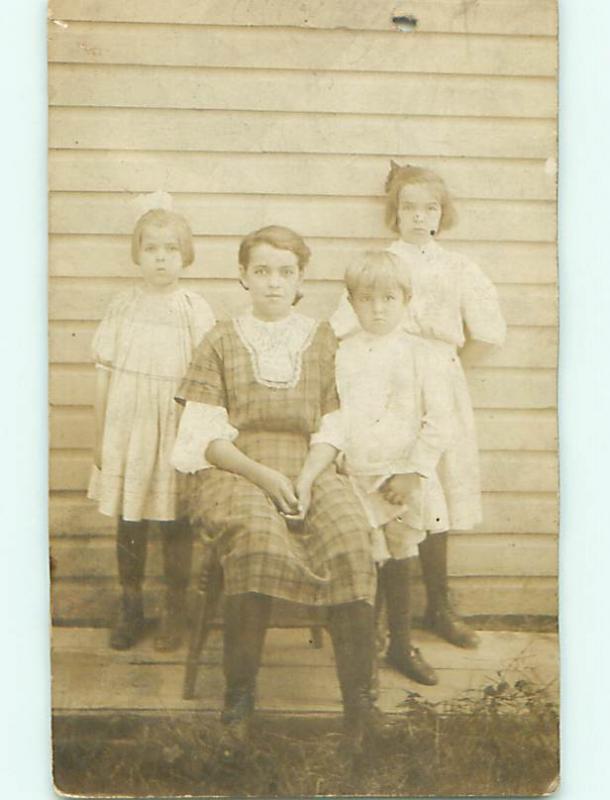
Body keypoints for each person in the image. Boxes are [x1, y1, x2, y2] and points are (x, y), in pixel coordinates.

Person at [171, 225, 379, 759]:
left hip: (312, 465)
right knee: (258, 542)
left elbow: (335, 423)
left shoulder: (323, 340)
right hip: (237, 469)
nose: (272, 283)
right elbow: (203, 437)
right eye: (261, 271)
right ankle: (239, 702)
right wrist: (265, 476)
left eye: (285, 272)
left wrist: (308, 478)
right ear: (242, 275)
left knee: (352, 539)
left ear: (301, 279)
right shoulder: (219, 338)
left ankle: (360, 709)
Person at [331, 163, 506, 649]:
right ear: (395, 213)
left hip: (436, 388)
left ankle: (439, 606)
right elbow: (342, 326)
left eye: (429, 208)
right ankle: (387, 616)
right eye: (408, 207)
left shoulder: (459, 268)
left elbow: (489, 333)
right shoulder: (382, 263)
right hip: (385, 386)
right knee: (388, 497)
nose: (418, 217)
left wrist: (447, 371)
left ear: (442, 214)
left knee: (434, 495)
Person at [88, 207, 215, 652]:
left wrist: (197, 437)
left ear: (186, 255)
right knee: (131, 515)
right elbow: (104, 372)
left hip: (176, 424)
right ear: (137, 254)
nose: (161, 258)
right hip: (128, 423)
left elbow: (207, 377)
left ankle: (176, 609)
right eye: (152, 248)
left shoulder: (193, 308)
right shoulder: (123, 305)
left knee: (175, 519)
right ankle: (131, 604)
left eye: (171, 249)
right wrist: (101, 434)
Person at [335, 251, 452, 686]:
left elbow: (440, 419)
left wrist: (412, 472)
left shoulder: (421, 355)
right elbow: (337, 415)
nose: (378, 308)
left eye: (389, 298)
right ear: (351, 302)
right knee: (366, 560)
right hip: (358, 478)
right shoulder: (343, 353)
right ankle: (366, 648)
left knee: (401, 557)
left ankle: (401, 645)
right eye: (367, 299)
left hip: (404, 480)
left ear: (406, 300)